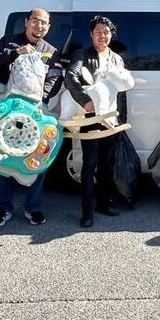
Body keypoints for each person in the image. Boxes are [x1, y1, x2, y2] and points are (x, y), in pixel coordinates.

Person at [0, 7, 61, 228]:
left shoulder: (50, 51)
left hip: (34, 114)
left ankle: (33, 208)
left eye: (44, 23)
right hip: (5, 112)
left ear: (48, 27)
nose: (39, 26)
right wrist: (15, 53)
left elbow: (55, 80)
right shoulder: (8, 42)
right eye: (35, 21)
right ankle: (2, 208)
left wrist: (39, 100)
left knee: (37, 157)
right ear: (26, 22)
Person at [64, 15, 133, 228]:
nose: (102, 36)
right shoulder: (82, 55)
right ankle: (87, 211)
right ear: (91, 34)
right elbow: (70, 78)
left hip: (110, 119)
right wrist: (86, 102)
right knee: (89, 164)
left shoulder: (116, 59)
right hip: (90, 118)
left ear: (111, 35)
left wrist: (121, 118)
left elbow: (122, 91)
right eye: (98, 32)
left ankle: (104, 202)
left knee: (106, 164)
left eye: (106, 32)